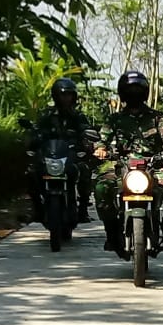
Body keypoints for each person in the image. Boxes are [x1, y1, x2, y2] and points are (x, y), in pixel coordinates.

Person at [95, 70, 163, 254]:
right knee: (102, 188)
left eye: (137, 89)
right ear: (123, 92)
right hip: (123, 165)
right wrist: (101, 148)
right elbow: (102, 138)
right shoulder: (115, 120)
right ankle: (111, 235)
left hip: (154, 165)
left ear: (144, 92)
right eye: (130, 89)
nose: (134, 93)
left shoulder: (157, 118)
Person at [30, 77, 95, 223]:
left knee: (84, 170)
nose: (65, 98)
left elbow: (86, 132)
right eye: (62, 94)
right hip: (50, 157)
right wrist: (34, 139)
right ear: (55, 96)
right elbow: (35, 132)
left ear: (73, 97)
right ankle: (38, 209)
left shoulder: (78, 116)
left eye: (68, 95)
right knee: (31, 173)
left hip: (71, 156)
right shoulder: (46, 115)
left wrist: (87, 140)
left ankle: (83, 210)